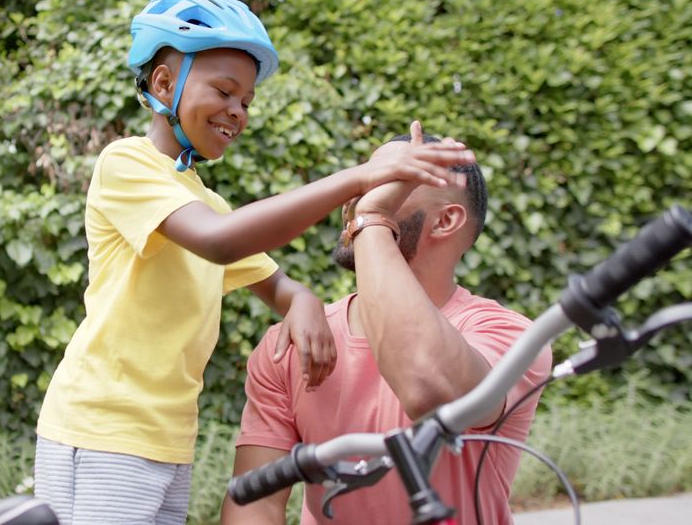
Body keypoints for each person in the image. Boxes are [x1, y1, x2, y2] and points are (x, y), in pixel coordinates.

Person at [34, 0, 475, 525]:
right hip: (103, 428)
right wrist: (359, 179)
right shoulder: (125, 164)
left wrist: (301, 299)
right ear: (164, 83)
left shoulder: (205, 202)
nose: (237, 112)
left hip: (167, 440)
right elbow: (224, 242)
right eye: (224, 91)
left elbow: (270, 279)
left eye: (246, 101)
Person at [220, 125, 553, 525]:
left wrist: (372, 219)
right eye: (366, 177)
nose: (356, 197)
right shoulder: (291, 342)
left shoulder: (508, 335)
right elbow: (255, 502)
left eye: (392, 180)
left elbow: (427, 388)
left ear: (445, 221)